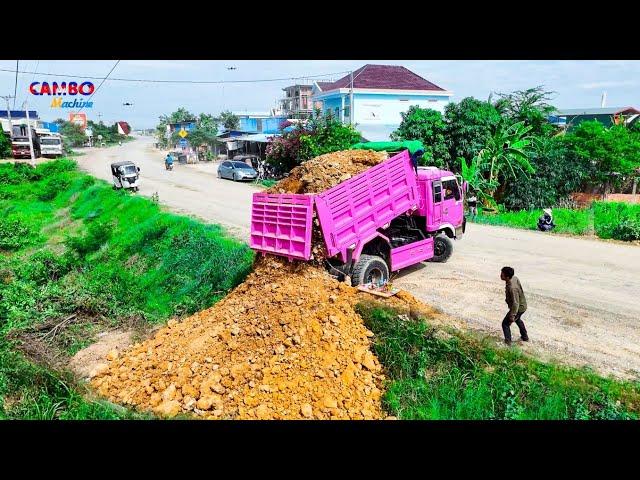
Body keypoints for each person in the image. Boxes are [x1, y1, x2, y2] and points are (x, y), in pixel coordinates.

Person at [500, 266, 529, 345]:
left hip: (518, 308)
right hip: (522, 305)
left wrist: (512, 315)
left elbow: (515, 303)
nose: (500, 276)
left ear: (507, 277)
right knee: (518, 320)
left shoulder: (512, 288)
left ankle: (508, 343)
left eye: (502, 275)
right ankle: (525, 337)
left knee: (505, 324)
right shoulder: (514, 278)